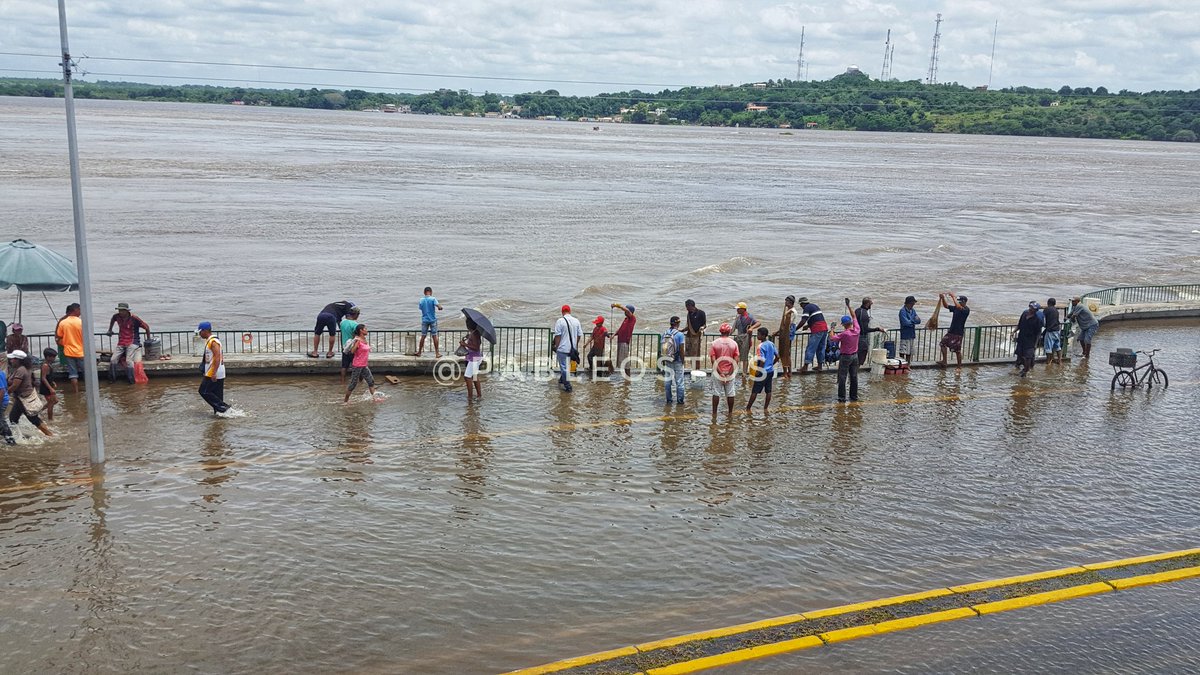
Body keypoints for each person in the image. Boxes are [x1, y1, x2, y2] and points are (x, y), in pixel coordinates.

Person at [6, 350, 53, 437]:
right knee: (13, 418)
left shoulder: (21, 370)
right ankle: (16, 435)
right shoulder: (25, 368)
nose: (11, 360)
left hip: (24, 399)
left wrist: (6, 393)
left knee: (33, 419)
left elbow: (15, 385)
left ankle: (49, 435)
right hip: (21, 398)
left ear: (18, 360)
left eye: (12, 359)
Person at [106, 302, 151, 384]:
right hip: (122, 341)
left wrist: (148, 339)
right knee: (113, 360)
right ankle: (112, 379)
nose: (121, 312)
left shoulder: (134, 318)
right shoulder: (116, 316)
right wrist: (110, 329)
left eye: (122, 311)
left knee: (128, 360)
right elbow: (113, 319)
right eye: (119, 310)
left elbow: (146, 327)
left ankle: (131, 380)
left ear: (127, 311)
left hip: (132, 342)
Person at [829, 300, 862, 402]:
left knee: (842, 377)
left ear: (843, 324)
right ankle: (853, 397)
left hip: (845, 357)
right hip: (855, 356)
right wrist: (849, 306)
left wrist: (832, 328)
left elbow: (832, 338)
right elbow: (854, 316)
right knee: (854, 377)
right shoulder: (857, 329)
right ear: (851, 323)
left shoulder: (844, 334)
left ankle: (842, 398)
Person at [197, 321, 231, 415]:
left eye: (200, 332)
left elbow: (217, 357)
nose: (199, 334)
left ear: (205, 331)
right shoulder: (210, 340)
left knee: (203, 391)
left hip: (214, 372)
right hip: (215, 371)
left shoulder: (214, 341)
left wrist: (213, 373)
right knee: (216, 395)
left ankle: (223, 407)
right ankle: (220, 413)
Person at [343, 324, 382, 403]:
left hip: (364, 365)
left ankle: (375, 398)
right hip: (357, 365)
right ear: (361, 330)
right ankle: (345, 401)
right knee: (353, 384)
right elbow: (352, 351)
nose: (367, 330)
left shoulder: (364, 339)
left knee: (371, 381)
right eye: (365, 329)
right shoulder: (358, 340)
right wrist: (356, 343)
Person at [708, 323, 740, 417]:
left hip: (718, 372)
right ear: (729, 331)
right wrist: (729, 373)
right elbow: (736, 360)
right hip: (730, 371)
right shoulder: (734, 343)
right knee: (730, 393)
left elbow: (713, 360)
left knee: (716, 392)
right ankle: (730, 412)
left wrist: (720, 373)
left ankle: (714, 413)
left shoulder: (715, 343)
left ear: (720, 332)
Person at [745, 326, 778, 411]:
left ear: (763, 335)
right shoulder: (771, 344)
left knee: (755, 391)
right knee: (768, 390)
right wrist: (771, 364)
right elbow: (777, 356)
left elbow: (762, 360)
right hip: (770, 371)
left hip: (763, 371)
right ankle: (765, 408)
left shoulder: (760, 346)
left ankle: (748, 408)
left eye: (759, 334)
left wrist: (759, 370)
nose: (757, 336)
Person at [55, 303, 85, 393]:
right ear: (75, 310)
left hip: (68, 352)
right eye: (79, 310)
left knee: (73, 374)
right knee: (87, 372)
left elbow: (58, 337)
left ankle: (76, 392)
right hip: (81, 352)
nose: (80, 312)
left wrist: (64, 343)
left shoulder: (63, 322)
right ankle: (89, 389)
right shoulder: (81, 322)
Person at [552, 305, 583, 392]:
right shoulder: (576, 321)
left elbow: (558, 336)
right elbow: (579, 335)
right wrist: (574, 345)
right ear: (570, 311)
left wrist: (557, 347)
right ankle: (562, 379)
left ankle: (568, 386)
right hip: (571, 349)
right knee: (567, 366)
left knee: (563, 367)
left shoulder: (560, 321)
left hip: (562, 348)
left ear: (562, 312)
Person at [796, 297, 829, 374]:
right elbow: (816, 318)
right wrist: (808, 326)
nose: (801, 306)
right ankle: (820, 366)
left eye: (801, 305)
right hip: (824, 328)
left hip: (817, 329)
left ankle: (805, 367)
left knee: (810, 348)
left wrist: (795, 329)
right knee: (821, 348)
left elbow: (803, 320)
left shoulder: (807, 308)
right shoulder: (814, 306)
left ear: (803, 303)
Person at [936, 295, 970, 368]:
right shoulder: (956, 308)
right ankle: (944, 361)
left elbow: (958, 307)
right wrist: (943, 299)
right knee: (942, 344)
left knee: (957, 351)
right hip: (951, 331)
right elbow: (946, 306)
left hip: (958, 333)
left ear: (964, 302)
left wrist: (953, 297)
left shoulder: (966, 310)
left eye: (960, 302)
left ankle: (959, 366)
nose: (959, 303)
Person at [854, 297, 888, 368]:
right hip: (862, 337)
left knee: (855, 356)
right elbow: (865, 329)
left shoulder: (857, 310)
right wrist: (877, 329)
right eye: (871, 303)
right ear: (867, 304)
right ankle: (855, 373)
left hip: (855, 336)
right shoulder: (864, 314)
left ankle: (853, 373)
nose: (871, 305)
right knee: (860, 357)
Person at [1013, 302, 1043, 377]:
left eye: (1032, 308)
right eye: (1030, 307)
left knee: (1028, 357)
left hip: (1030, 341)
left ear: (1036, 310)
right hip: (1021, 339)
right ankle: (1025, 368)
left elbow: (1038, 332)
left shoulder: (1037, 320)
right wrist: (1013, 331)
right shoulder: (1024, 314)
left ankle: (1025, 371)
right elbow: (1019, 325)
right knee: (1019, 355)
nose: (1030, 309)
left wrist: (1035, 344)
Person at [661, 316, 686, 405]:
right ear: (677, 323)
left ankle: (669, 400)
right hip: (677, 360)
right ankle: (680, 401)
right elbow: (682, 349)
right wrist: (683, 360)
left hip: (667, 359)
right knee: (679, 381)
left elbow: (663, 349)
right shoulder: (680, 335)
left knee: (668, 380)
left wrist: (663, 360)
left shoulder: (664, 334)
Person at [415, 287, 443, 358]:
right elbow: (439, 306)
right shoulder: (433, 299)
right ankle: (437, 353)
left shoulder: (421, 300)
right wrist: (440, 307)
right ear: (431, 292)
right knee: (434, 336)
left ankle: (419, 352)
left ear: (424, 292)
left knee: (423, 336)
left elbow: (421, 308)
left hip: (425, 320)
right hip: (432, 320)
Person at [772, 296, 796, 378]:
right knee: (786, 353)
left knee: (784, 353)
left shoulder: (791, 312)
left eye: (786, 301)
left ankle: (786, 372)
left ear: (790, 302)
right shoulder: (788, 311)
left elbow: (787, 325)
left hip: (788, 333)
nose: (785, 302)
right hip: (786, 332)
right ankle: (788, 372)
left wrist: (778, 332)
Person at [732, 302, 761, 370]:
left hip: (746, 340)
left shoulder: (749, 317)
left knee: (745, 358)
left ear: (743, 309)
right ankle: (734, 371)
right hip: (738, 338)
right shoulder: (738, 317)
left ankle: (744, 373)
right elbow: (733, 328)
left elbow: (759, 323)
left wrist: (751, 328)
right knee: (736, 356)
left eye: (738, 309)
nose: (737, 310)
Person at [461, 318, 484, 401]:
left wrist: (465, 344)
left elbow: (476, 347)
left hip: (474, 358)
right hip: (475, 357)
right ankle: (479, 395)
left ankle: (470, 397)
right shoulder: (474, 333)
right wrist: (468, 339)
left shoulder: (474, 334)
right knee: (474, 376)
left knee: (467, 377)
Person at [611, 304, 636, 377]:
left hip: (625, 342)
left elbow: (627, 310)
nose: (625, 312)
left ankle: (628, 377)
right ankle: (626, 376)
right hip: (620, 341)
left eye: (626, 311)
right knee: (622, 361)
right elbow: (620, 329)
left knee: (626, 362)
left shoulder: (632, 318)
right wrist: (614, 335)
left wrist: (617, 305)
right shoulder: (626, 319)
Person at [339, 306, 361, 385]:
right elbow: (357, 336)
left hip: (345, 347)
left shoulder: (342, 322)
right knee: (357, 365)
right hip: (353, 348)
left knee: (344, 366)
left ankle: (342, 381)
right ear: (355, 314)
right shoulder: (355, 324)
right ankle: (359, 381)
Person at [898, 296, 921, 363]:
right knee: (903, 350)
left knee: (910, 351)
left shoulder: (913, 310)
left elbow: (919, 321)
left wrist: (911, 321)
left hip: (911, 333)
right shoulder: (902, 311)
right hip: (905, 334)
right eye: (912, 303)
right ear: (908, 303)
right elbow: (905, 323)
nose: (913, 305)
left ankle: (908, 364)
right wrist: (913, 321)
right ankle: (902, 364)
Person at [684, 299, 706, 367]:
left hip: (697, 337)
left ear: (691, 306)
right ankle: (692, 368)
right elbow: (688, 326)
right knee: (689, 354)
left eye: (687, 306)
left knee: (696, 354)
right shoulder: (689, 314)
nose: (686, 308)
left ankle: (696, 369)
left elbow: (704, 324)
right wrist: (681, 330)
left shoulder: (701, 313)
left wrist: (702, 328)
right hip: (689, 336)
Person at [39, 347, 59, 422]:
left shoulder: (48, 365)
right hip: (46, 388)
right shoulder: (45, 366)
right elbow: (43, 378)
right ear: (48, 357)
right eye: (53, 357)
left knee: (55, 401)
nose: (54, 359)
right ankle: (50, 419)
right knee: (51, 403)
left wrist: (53, 382)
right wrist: (50, 388)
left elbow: (48, 376)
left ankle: (40, 411)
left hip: (49, 385)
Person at [1042, 298, 1063, 365]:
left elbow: (1043, 318)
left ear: (1048, 303)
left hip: (1050, 330)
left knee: (1048, 347)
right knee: (1057, 346)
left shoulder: (1047, 309)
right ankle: (1060, 361)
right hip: (1057, 330)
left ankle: (1048, 362)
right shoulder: (1056, 310)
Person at [0, 361, 13, 444]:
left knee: (1, 421)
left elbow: (2, 391)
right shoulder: (2, 373)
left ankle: (11, 441)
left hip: (1, 401)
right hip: (3, 400)